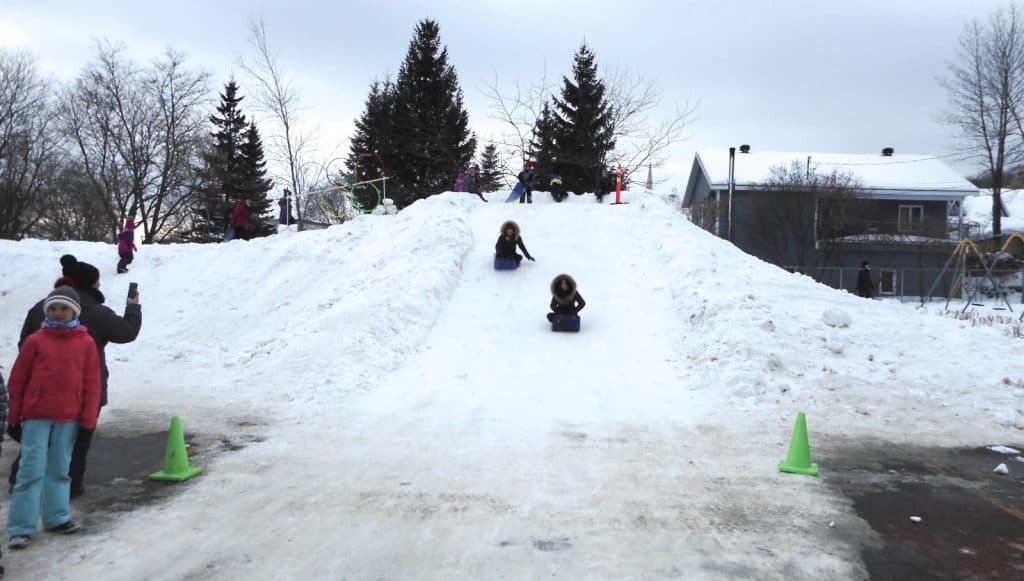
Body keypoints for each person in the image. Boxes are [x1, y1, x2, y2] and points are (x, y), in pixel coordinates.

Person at [11, 255, 142, 499]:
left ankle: (20, 477)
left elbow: (24, 347)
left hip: (39, 391)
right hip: (83, 392)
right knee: (78, 440)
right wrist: (133, 306)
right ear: (91, 284)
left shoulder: (41, 307)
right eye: (97, 282)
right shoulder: (97, 312)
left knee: (38, 439)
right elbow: (127, 332)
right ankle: (70, 486)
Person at [6, 286, 101, 549]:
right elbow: (18, 380)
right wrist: (13, 417)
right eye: (54, 309)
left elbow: (92, 385)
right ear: (47, 312)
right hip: (36, 416)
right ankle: (21, 527)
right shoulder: (36, 341)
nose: (59, 313)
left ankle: (57, 517)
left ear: (74, 311)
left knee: (60, 469)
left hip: (68, 418)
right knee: (30, 470)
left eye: (64, 308)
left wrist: (88, 420)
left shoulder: (86, 343)